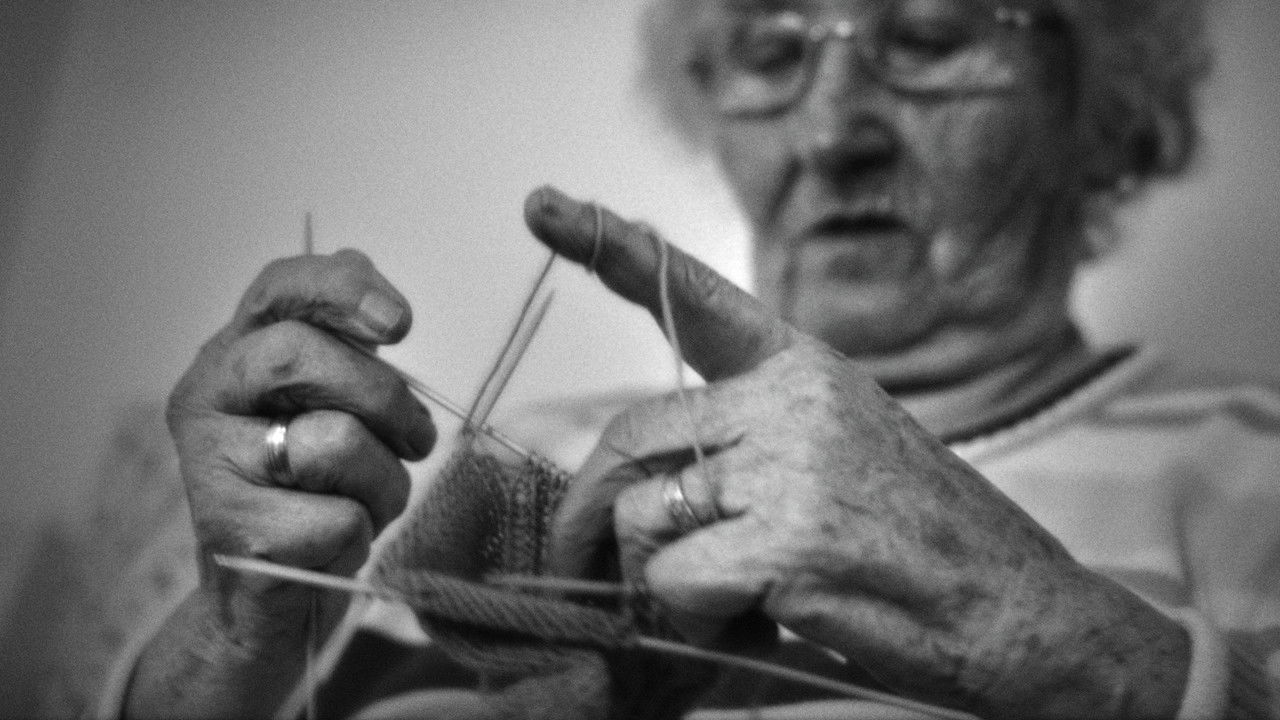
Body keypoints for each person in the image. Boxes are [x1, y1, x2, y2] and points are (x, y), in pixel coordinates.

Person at [110, 0, 1280, 717]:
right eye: (770, 52)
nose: (829, 134)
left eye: (928, 36)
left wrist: (1060, 640)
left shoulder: (1253, 463)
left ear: (1105, 110)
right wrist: (232, 635)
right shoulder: (523, 468)